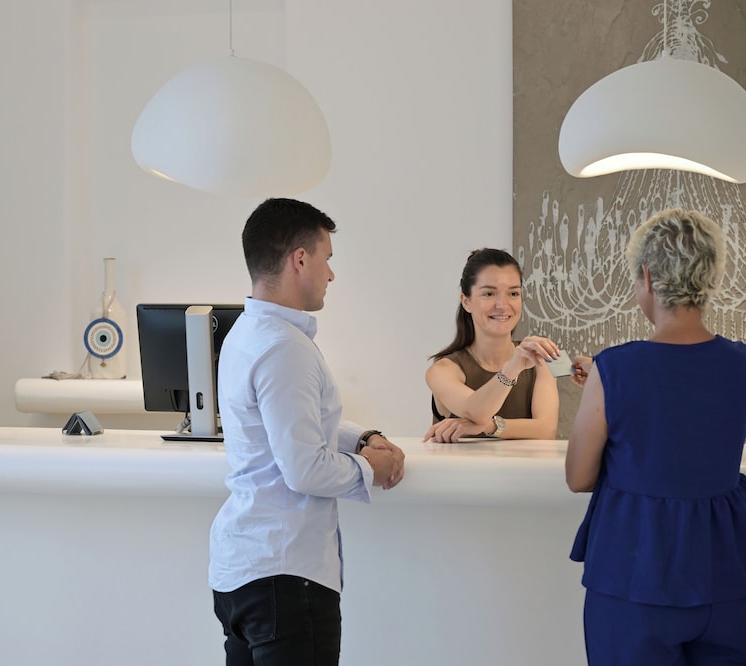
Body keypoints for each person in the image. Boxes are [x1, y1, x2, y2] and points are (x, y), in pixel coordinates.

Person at [565, 208, 746, 665]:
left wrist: (605, 384)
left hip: (635, 571)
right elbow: (687, 412)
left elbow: (579, 477)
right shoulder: (743, 362)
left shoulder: (615, 368)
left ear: (647, 276)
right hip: (728, 574)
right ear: (709, 275)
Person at [209, 197, 406, 665]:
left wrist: (360, 438)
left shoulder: (246, 334)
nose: (331, 274)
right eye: (327, 258)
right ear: (300, 259)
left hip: (245, 574)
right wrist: (370, 468)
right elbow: (304, 469)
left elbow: (291, 424)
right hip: (284, 577)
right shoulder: (283, 347)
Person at [423, 248, 560, 443]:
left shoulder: (539, 360)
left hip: (523, 465)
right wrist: (511, 369)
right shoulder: (442, 370)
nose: (502, 305)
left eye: (513, 293)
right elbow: (475, 411)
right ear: (466, 301)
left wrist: (489, 426)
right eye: (489, 294)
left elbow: (546, 429)